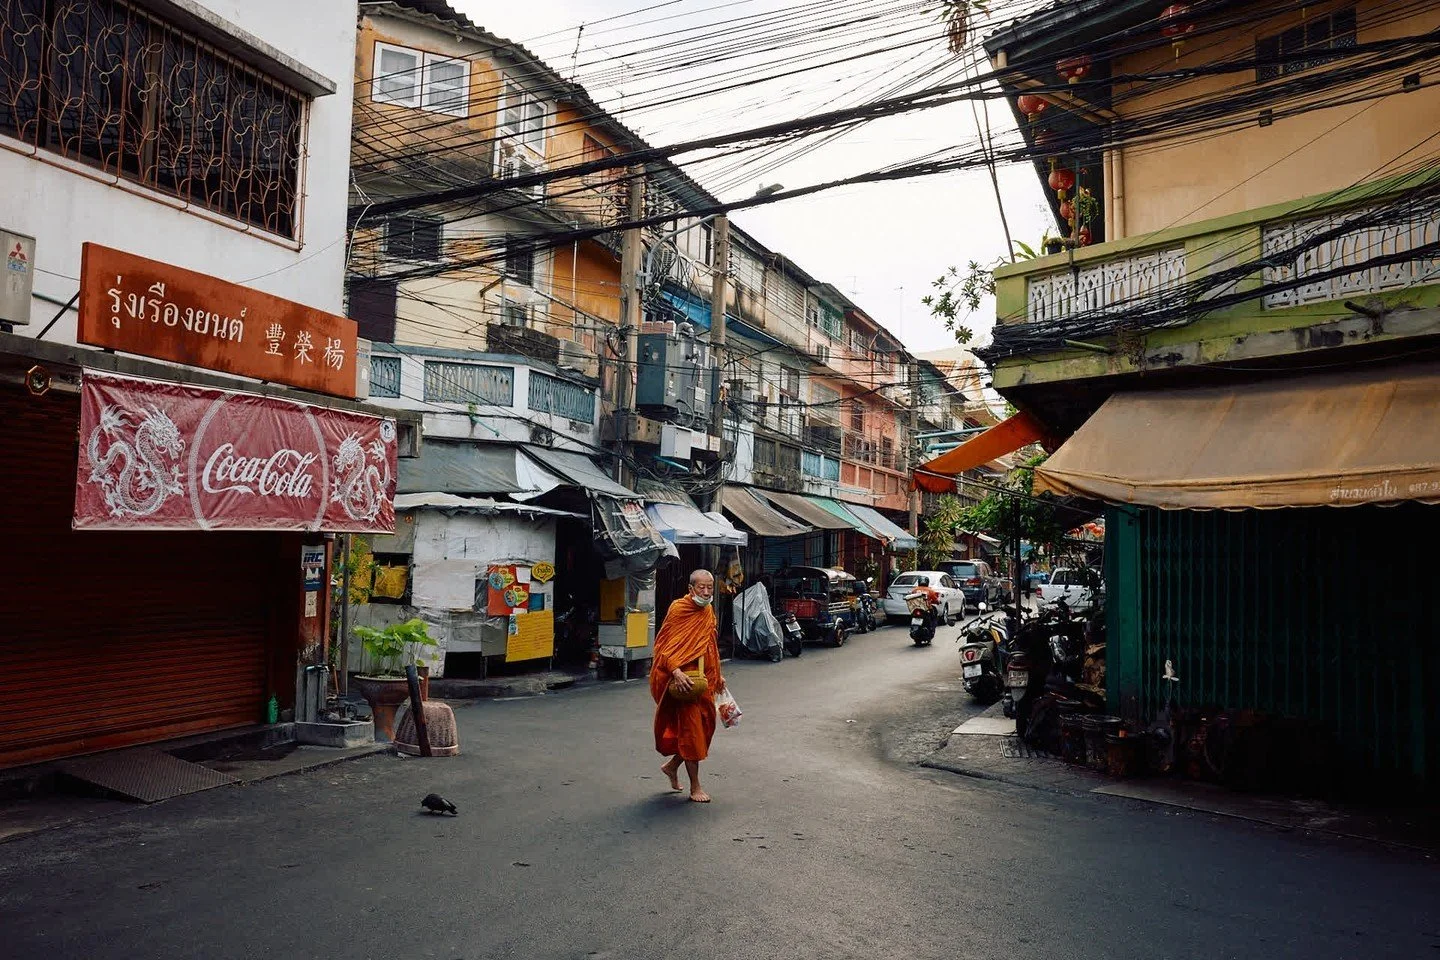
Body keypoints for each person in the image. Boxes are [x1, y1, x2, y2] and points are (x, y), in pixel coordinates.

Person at [650, 568, 726, 803]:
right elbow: (663, 646)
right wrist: (675, 671)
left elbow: (710, 645)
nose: (705, 591)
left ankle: (672, 766)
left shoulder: (708, 610)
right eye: (700, 587)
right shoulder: (679, 608)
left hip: (703, 680)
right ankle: (695, 786)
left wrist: (719, 675)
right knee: (692, 732)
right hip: (683, 681)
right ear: (690, 589)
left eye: (709, 587)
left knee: (702, 730)